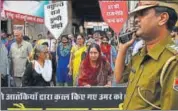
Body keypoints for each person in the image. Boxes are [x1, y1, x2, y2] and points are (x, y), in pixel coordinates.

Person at [114, 1, 178, 110]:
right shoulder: (141, 54)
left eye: (143, 14)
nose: (136, 19)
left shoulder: (173, 61)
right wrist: (122, 50)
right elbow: (119, 78)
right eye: (136, 16)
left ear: (162, 18)